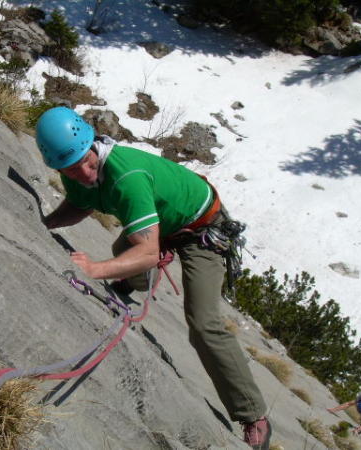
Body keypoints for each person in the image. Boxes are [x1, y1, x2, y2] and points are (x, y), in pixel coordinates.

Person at [36, 106, 271, 449]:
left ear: (93, 144)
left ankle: (253, 414)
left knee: (203, 321)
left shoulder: (126, 177)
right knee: (125, 252)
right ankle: (139, 275)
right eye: (71, 169)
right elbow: (80, 204)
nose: (84, 173)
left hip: (202, 231)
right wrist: (46, 224)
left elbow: (145, 253)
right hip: (164, 222)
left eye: (87, 162)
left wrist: (94, 269)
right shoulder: (77, 166)